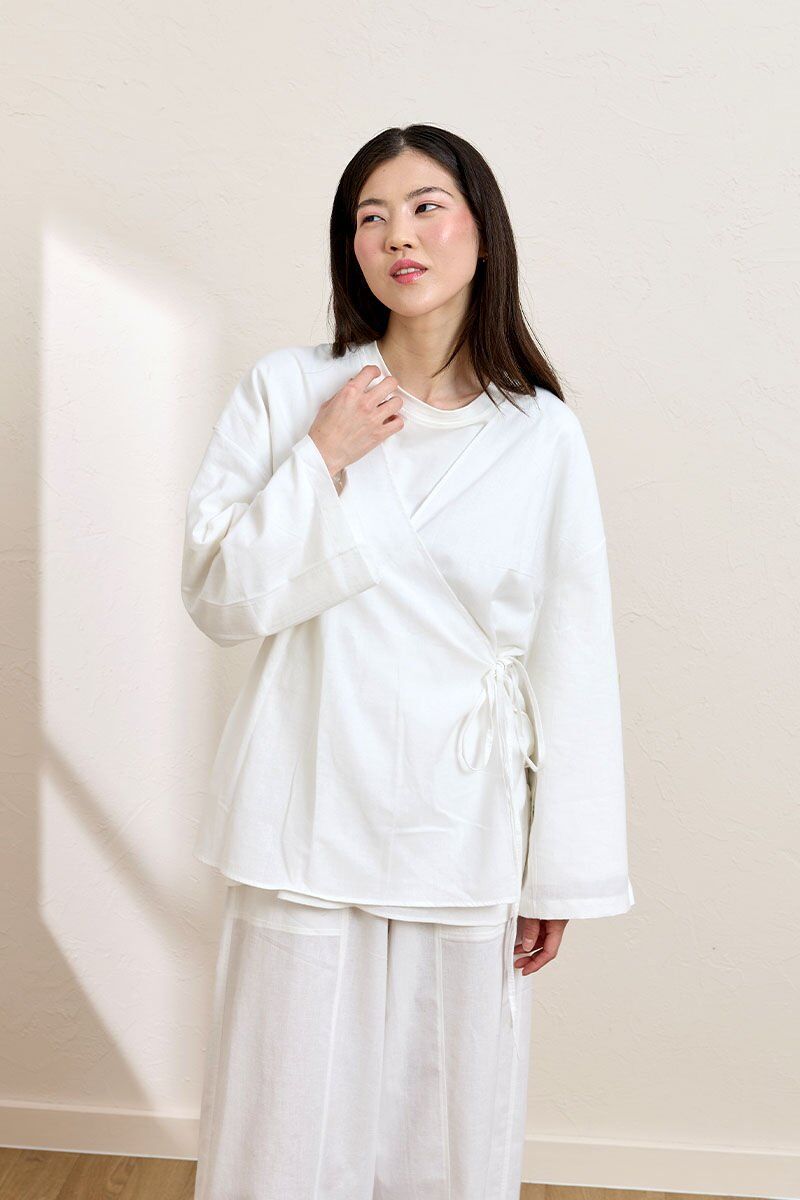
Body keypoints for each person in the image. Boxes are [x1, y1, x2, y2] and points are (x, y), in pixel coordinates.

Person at [182, 123, 635, 1200]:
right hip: (306, 804)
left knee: (443, 1125)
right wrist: (321, 458)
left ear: (481, 228)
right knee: (282, 1117)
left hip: (460, 819)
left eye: (426, 207)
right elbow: (219, 597)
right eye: (370, 216)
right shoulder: (290, 390)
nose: (398, 236)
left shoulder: (539, 434)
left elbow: (573, 654)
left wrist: (559, 865)